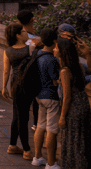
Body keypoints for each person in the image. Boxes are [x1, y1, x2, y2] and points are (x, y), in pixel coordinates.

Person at [56, 37, 91, 169]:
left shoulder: (65, 71)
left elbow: (67, 97)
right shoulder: (78, 66)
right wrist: (87, 53)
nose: (54, 49)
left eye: (57, 47)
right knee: (84, 140)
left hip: (73, 109)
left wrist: (62, 117)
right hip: (83, 105)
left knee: (73, 143)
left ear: (62, 51)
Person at [2, 22, 34, 160]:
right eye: (24, 32)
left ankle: (12, 145)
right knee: (23, 117)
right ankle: (26, 149)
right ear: (18, 35)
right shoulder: (30, 49)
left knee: (17, 114)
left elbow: (6, 71)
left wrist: (4, 87)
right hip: (27, 85)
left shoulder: (7, 51)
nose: (27, 33)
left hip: (14, 84)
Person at [32, 28, 61, 169]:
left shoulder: (37, 54)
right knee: (51, 130)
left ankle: (37, 157)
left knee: (40, 126)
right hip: (51, 97)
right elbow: (56, 81)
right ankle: (51, 163)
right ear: (55, 41)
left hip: (39, 95)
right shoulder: (52, 60)